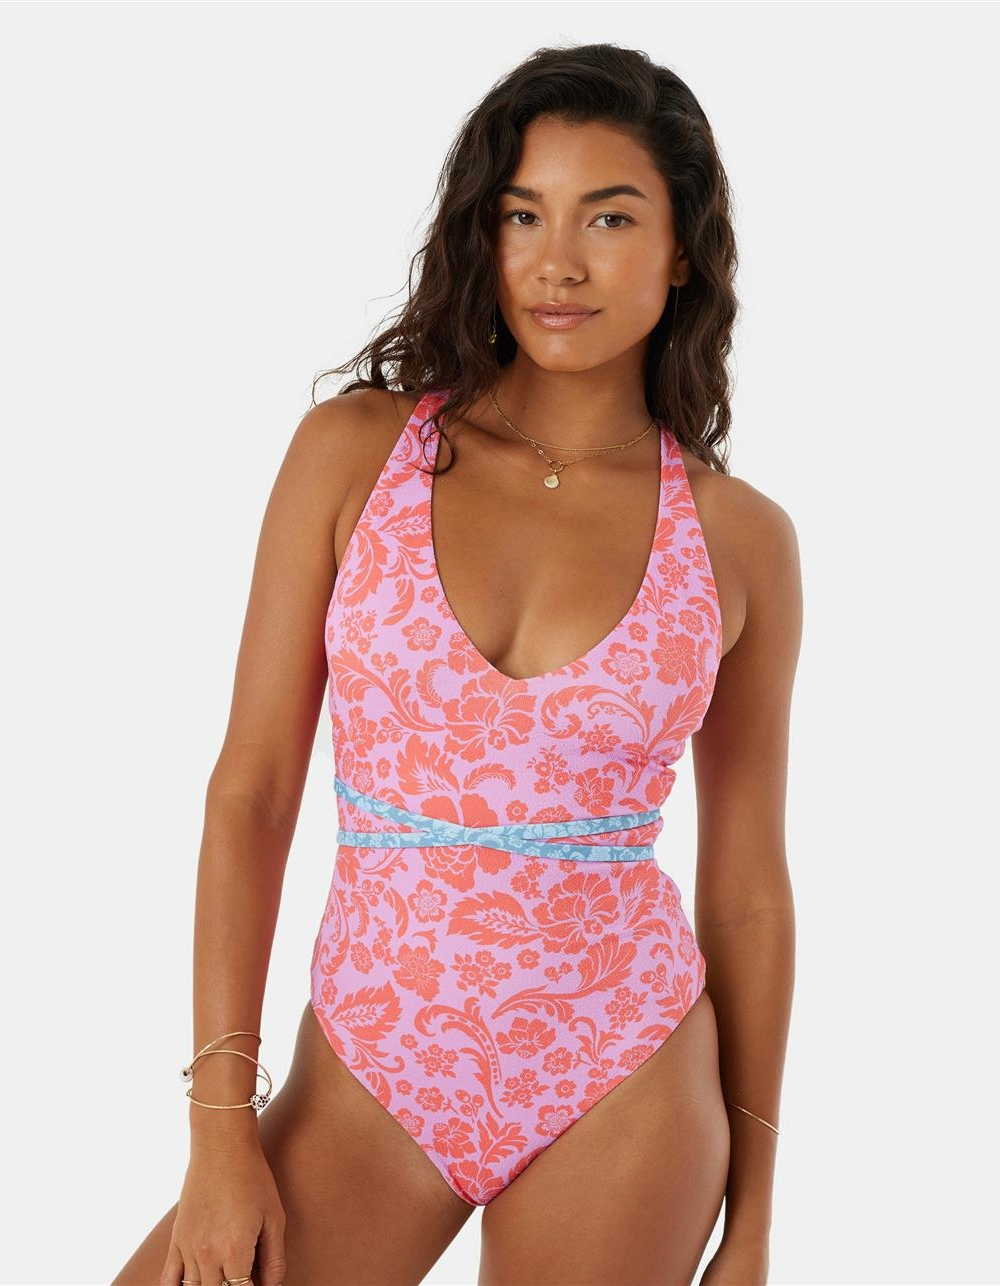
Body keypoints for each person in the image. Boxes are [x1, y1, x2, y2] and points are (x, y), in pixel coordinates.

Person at [112, 41, 800, 1286]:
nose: (557, 261)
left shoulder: (739, 538)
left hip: (626, 1070)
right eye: (522, 214)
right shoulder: (354, 453)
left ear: (682, 250)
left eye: (608, 217)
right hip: (370, 1073)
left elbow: (746, 884)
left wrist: (752, 1220)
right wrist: (219, 1132)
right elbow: (251, 792)